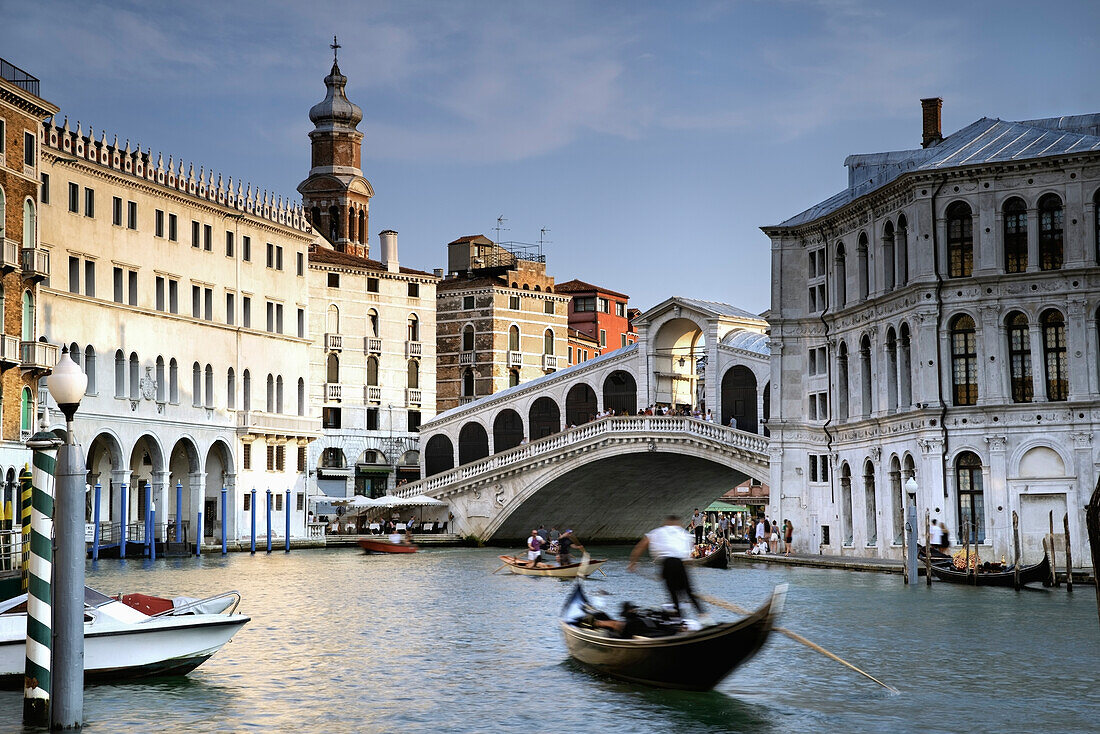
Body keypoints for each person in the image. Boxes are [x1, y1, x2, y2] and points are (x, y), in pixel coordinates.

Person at [628, 515, 710, 623]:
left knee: (673, 593)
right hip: (679, 563)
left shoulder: (657, 532)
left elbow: (641, 546)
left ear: (667, 522)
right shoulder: (683, 533)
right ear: (677, 523)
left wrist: (633, 562)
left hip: (667, 563)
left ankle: (680, 620)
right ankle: (704, 617)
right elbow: (687, 560)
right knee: (689, 591)